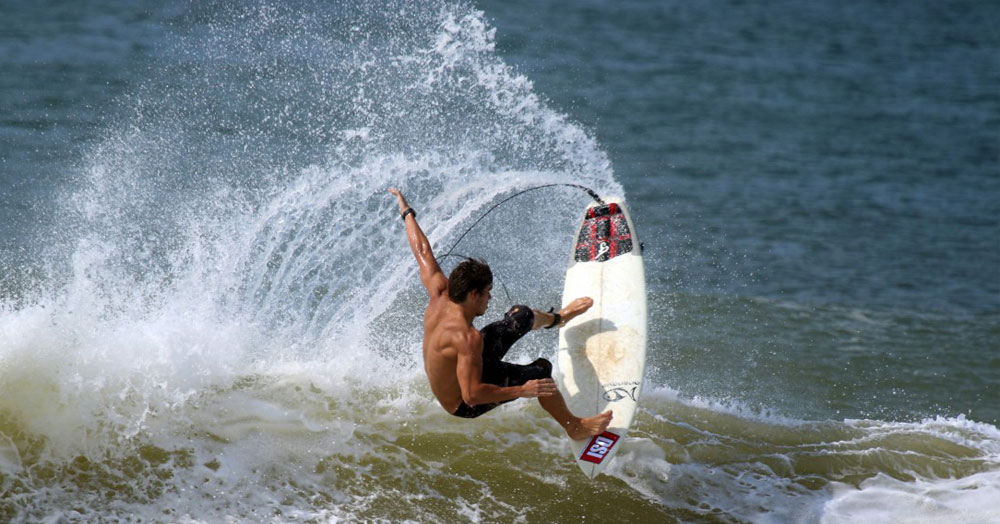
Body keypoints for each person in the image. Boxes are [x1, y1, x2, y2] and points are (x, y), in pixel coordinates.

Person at [389, 188, 612, 439]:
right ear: (474, 294)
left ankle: (559, 319)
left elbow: (422, 252)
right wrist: (523, 390)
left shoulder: (440, 291)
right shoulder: (466, 337)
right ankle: (575, 427)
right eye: (487, 293)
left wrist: (406, 212)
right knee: (540, 372)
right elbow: (472, 394)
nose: (490, 298)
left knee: (522, 315)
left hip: (468, 366)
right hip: (463, 402)